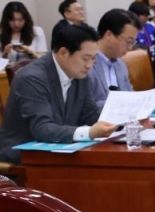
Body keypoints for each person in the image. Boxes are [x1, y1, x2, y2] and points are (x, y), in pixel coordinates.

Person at [0, 24, 117, 163]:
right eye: (86, 58)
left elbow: (90, 115)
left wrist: (120, 121)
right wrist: (90, 132)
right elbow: (42, 129)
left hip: (60, 149)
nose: (89, 65)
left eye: (93, 59)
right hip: (25, 153)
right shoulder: (32, 78)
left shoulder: (79, 74)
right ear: (63, 53)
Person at [86, 9, 141, 106]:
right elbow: (85, 107)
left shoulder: (121, 64)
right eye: (129, 41)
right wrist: (118, 104)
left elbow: (129, 95)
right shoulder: (86, 64)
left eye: (133, 43)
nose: (130, 48)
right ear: (109, 35)